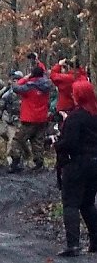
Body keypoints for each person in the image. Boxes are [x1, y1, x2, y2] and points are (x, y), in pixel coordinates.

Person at [54, 80, 97, 257]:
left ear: (78, 95)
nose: (71, 95)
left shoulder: (75, 117)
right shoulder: (94, 115)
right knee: (87, 203)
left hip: (77, 165)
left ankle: (73, 244)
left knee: (70, 203)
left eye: (73, 92)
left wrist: (56, 143)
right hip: (95, 164)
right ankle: (95, 241)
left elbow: (69, 144)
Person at [8, 66, 54, 173]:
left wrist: (25, 78)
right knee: (37, 141)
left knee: (17, 140)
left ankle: (15, 163)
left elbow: (15, 87)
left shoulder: (29, 86)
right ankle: (39, 163)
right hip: (42, 118)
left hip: (28, 119)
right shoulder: (46, 86)